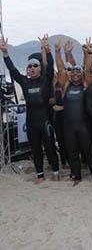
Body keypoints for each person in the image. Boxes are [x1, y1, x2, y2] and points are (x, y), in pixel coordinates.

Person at [0, 35, 60, 184]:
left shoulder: (45, 81)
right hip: (32, 122)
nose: (32, 68)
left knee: (50, 147)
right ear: (27, 69)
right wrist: (5, 54)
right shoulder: (24, 81)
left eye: (35, 66)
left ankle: (56, 172)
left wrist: (48, 50)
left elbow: (51, 69)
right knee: (35, 149)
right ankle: (40, 175)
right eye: (30, 66)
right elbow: (12, 70)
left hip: (45, 120)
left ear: (40, 68)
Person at [55, 39, 92, 185]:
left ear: (81, 75)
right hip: (69, 127)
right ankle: (77, 177)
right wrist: (57, 52)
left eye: (77, 71)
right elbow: (61, 69)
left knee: (88, 151)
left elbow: (88, 69)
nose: (74, 74)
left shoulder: (86, 85)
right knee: (72, 152)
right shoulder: (66, 86)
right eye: (72, 71)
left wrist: (88, 53)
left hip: (83, 126)